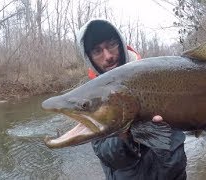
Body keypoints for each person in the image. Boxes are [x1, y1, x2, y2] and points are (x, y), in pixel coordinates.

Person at [76, 19, 187, 180]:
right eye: (97, 51)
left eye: (112, 44)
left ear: (121, 43)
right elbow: (106, 154)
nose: (108, 56)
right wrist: (124, 135)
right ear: (90, 58)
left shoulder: (154, 74)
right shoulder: (92, 99)